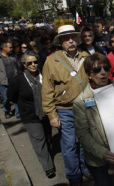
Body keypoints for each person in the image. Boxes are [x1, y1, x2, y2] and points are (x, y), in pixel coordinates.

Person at [41, 25, 91, 185]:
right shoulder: (51, 61)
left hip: (85, 107)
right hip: (64, 110)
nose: (70, 41)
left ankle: (85, 168)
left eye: (73, 37)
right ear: (60, 42)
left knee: (84, 142)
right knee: (69, 145)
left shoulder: (85, 55)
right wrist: (51, 115)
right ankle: (74, 176)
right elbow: (47, 90)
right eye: (66, 38)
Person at [74, 53, 114, 185]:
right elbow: (82, 134)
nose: (103, 73)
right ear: (89, 74)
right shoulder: (80, 101)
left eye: (106, 68)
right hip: (99, 160)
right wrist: (102, 153)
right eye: (97, 70)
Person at [7, 51, 55, 179]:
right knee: (39, 140)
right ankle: (48, 167)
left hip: (46, 112)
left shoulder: (44, 76)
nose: (33, 65)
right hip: (30, 116)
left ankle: (48, 154)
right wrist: (27, 106)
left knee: (47, 137)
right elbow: (12, 96)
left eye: (35, 62)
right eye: (30, 63)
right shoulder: (18, 80)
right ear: (24, 65)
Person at [0, 41, 20, 119]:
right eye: (10, 47)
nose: (11, 49)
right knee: (6, 99)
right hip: (4, 83)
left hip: (14, 82)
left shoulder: (12, 57)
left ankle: (18, 113)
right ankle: (7, 110)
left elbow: (18, 67)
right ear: (4, 48)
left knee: (16, 98)